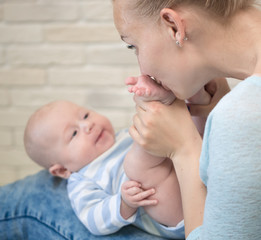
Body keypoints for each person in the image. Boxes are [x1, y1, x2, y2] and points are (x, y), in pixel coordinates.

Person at [112, 0, 261, 239]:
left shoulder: (243, 116)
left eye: (133, 46)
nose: (143, 70)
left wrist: (184, 148)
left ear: (173, 26)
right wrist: (219, 103)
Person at [23, 99, 185, 239]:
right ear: (62, 171)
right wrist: (124, 203)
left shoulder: (123, 136)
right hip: (174, 213)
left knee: (152, 140)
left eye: (85, 116)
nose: (88, 125)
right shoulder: (82, 180)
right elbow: (94, 219)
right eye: (73, 133)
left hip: (189, 177)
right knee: (140, 156)